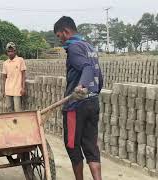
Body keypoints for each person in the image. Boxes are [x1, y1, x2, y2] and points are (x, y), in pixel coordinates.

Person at [54, 16, 103, 180]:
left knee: (72, 146)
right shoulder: (89, 46)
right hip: (93, 103)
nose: (60, 41)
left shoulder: (74, 47)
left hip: (76, 106)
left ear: (66, 31)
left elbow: (87, 68)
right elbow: (99, 75)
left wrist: (80, 86)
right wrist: (94, 93)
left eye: (59, 36)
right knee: (91, 147)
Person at [2, 42, 26, 112]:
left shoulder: (20, 60)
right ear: (7, 52)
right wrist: (4, 90)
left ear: (15, 51)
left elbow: (23, 75)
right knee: (9, 109)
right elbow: (4, 77)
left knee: (17, 109)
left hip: (17, 90)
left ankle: (19, 123)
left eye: (12, 51)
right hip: (8, 89)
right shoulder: (5, 63)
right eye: (9, 51)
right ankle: (11, 122)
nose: (10, 53)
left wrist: (23, 88)